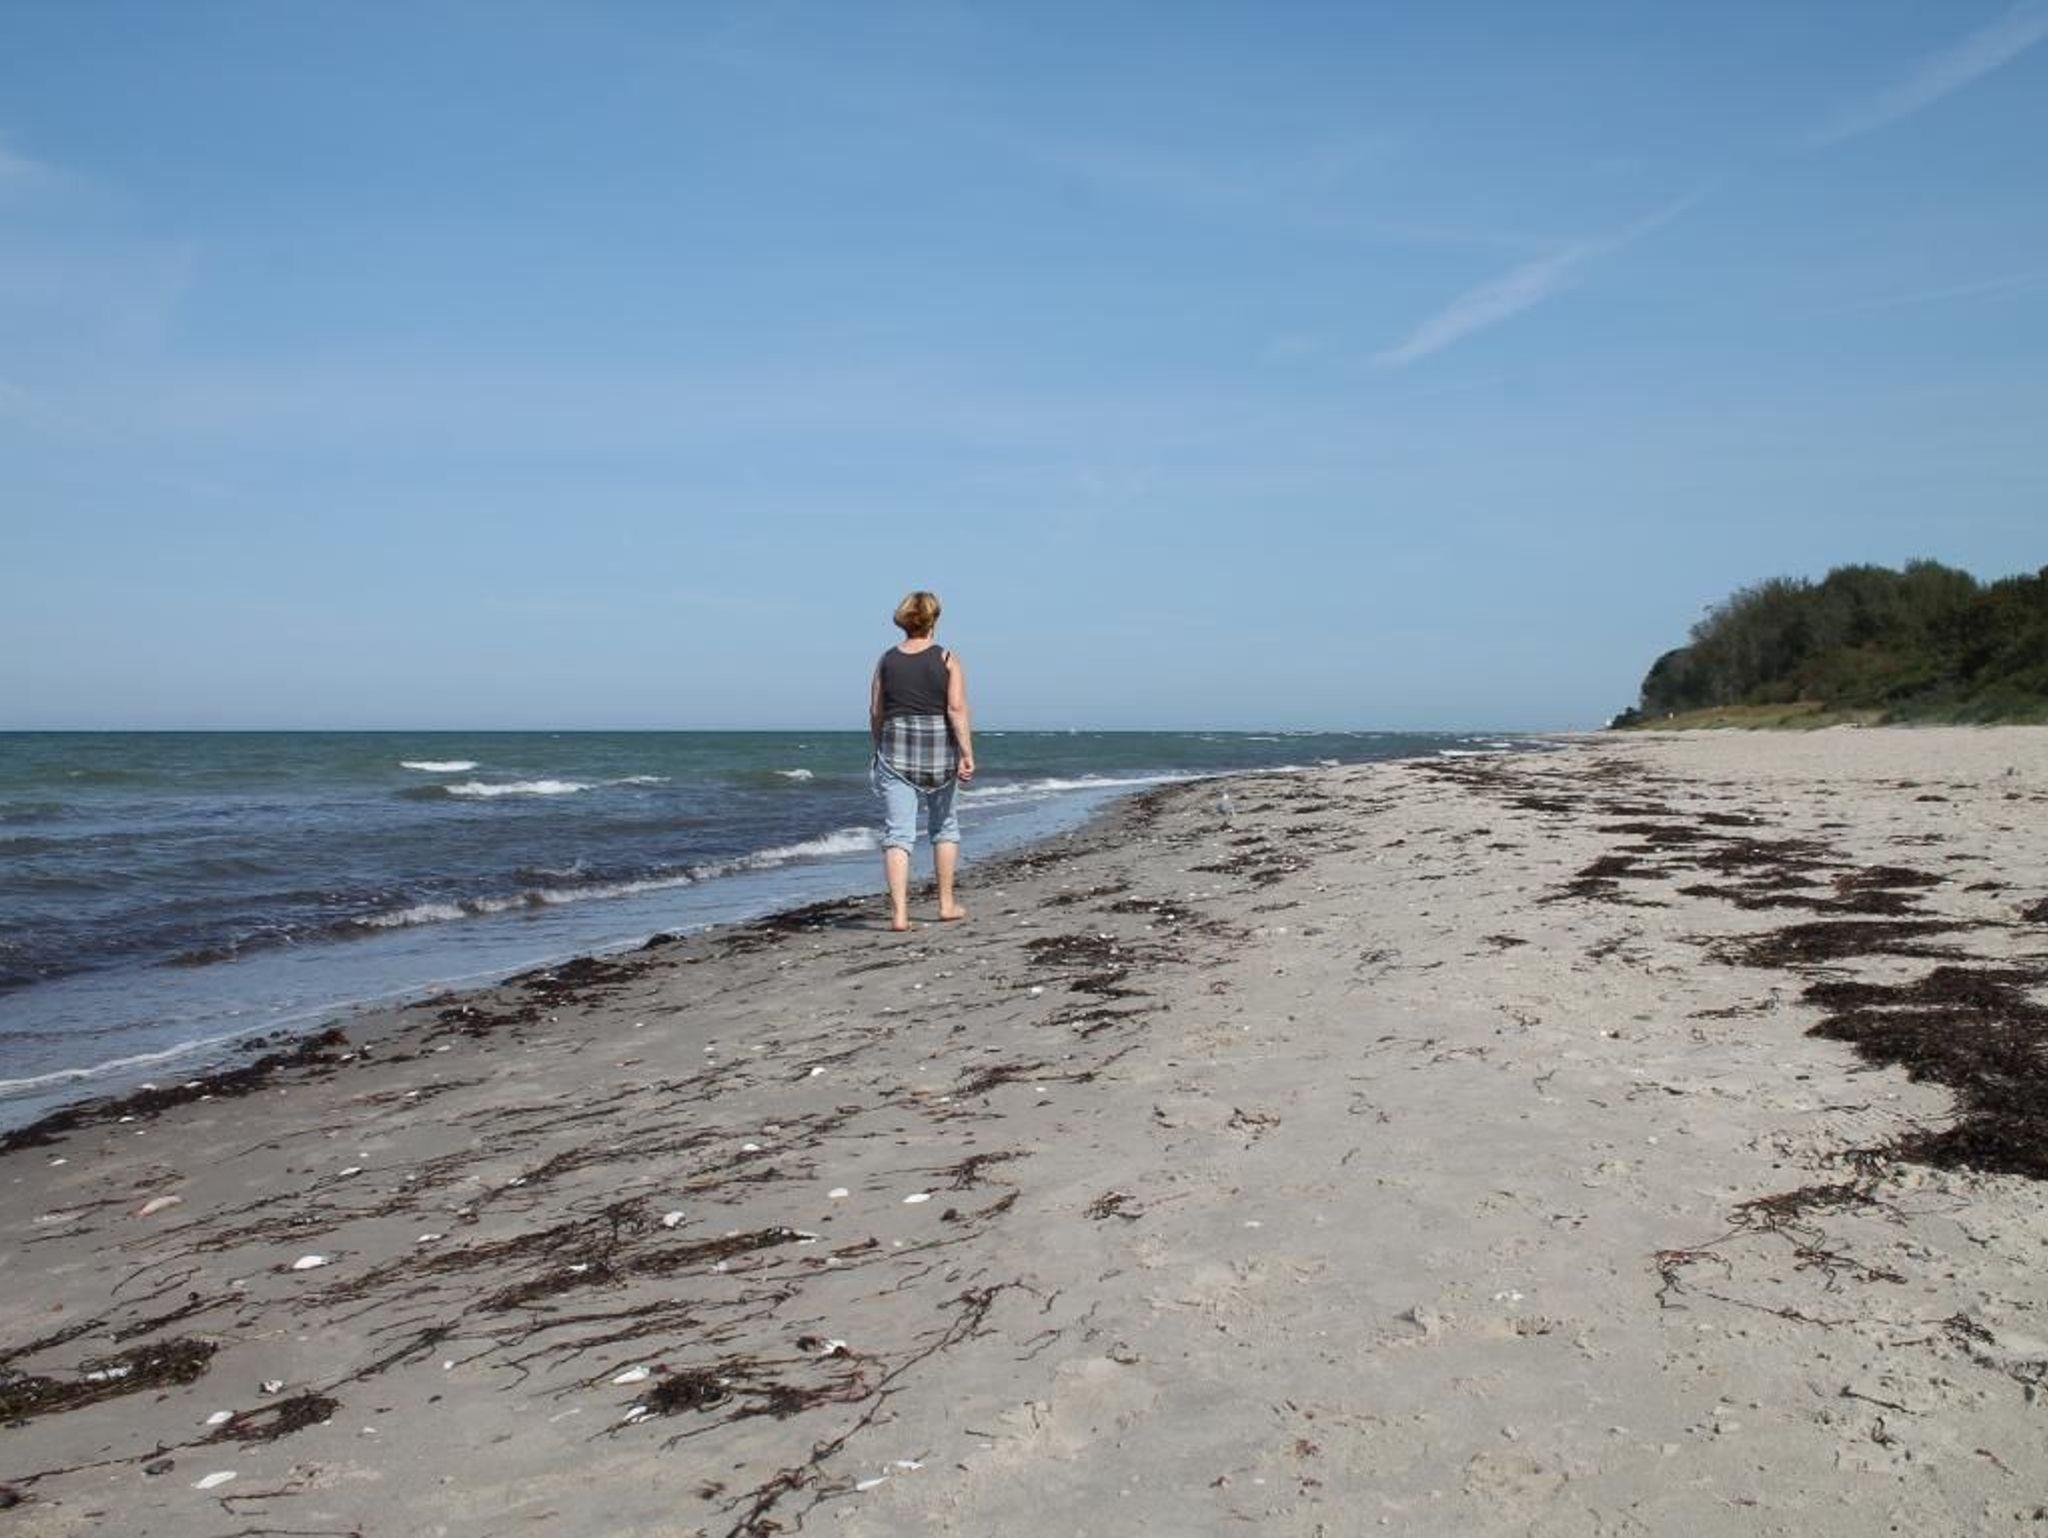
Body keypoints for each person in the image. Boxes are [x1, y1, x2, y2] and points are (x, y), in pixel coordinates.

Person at [869, 590, 975, 931]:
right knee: (944, 826)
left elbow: (876, 711)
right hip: (940, 750)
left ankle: (900, 914)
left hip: (896, 749)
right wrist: (967, 753)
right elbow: (956, 709)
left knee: (898, 833)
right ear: (934, 620)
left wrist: (878, 745)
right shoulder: (947, 658)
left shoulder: (886, 660)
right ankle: (946, 904)